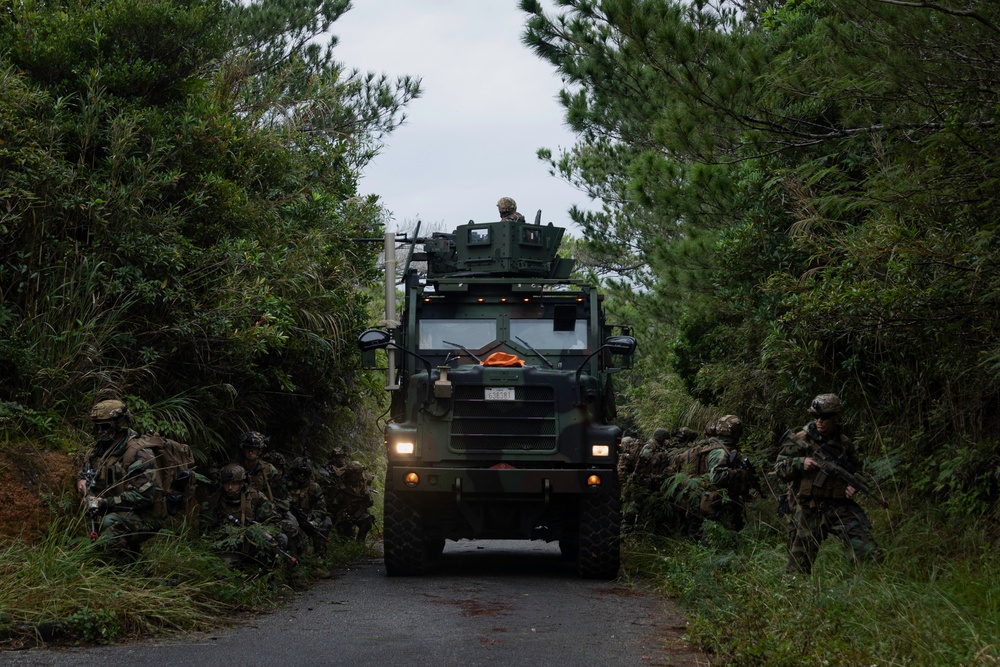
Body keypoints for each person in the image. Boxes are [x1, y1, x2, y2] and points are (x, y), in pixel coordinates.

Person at [774, 393, 882, 574]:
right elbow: (778, 469)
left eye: (824, 417)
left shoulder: (844, 443)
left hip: (837, 505)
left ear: (835, 417)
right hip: (808, 506)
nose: (819, 421)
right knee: (797, 568)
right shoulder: (801, 439)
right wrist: (800, 463)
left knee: (869, 551)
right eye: (816, 417)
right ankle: (795, 597)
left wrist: (853, 486)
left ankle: (864, 586)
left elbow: (856, 471)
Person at [76, 399, 161, 551]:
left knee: (110, 523)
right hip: (114, 508)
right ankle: (129, 558)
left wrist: (105, 502)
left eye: (105, 426)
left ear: (120, 425)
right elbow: (87, 470)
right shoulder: (100, 449)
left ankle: (118, 568)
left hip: (144, 515)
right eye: (97, 427)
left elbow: (144, 497)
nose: (100, 431)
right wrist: (81, 480)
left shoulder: (138, 454)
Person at [200, 463, 286, 567]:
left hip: (252, 545)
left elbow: (274, 521)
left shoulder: (256, 498)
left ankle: (267, 576)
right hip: (228, 547)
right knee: (222, 565)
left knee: (277, 546)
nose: (230, 487)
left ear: (242, 483)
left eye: (234, 483)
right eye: (226, 483)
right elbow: (205, 532)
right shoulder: (213, 502)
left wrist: (262, 532)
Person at [287, 457, 333, 555]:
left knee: (325, 522)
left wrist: (313, 522)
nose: (301, 476)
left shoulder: (314, 487)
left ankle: (319, 555)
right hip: (290, 519)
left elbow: (321, 509)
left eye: (305, 473)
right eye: (299, 472)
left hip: (308, 519)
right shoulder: (286, 485)